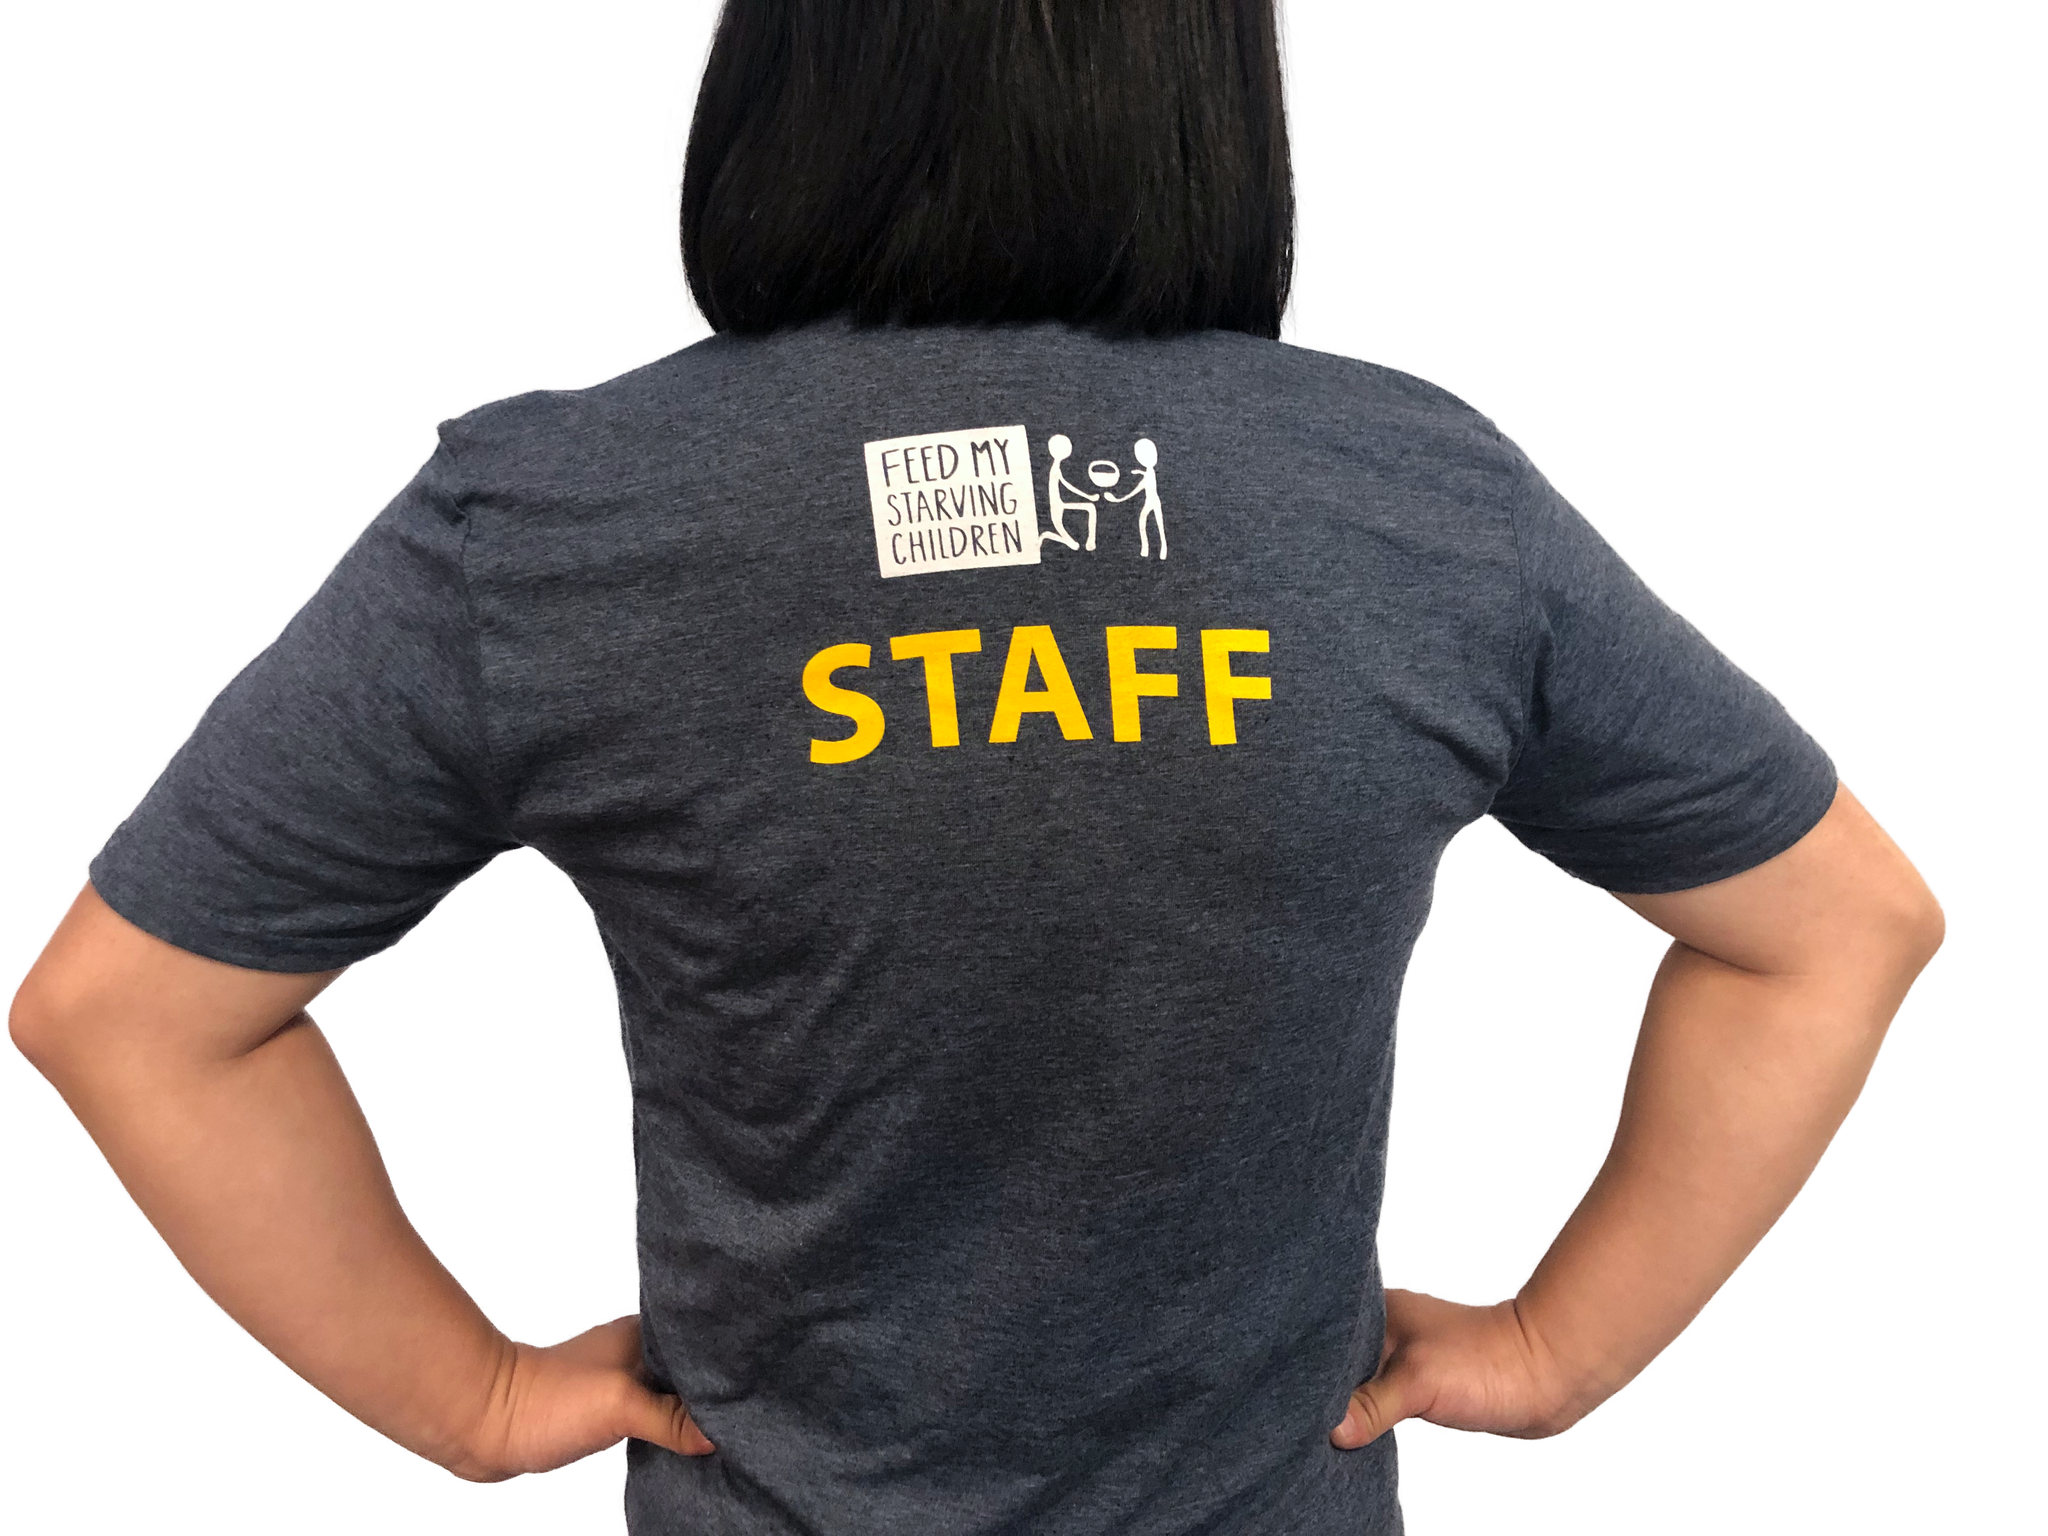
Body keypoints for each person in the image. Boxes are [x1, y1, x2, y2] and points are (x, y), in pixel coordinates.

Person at [8, 3, 1941, 1534]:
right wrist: (1557, 1351)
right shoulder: (1416, 495)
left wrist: (476, 1399)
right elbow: (1838, 924)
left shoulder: (556, 521)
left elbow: (130, 1011)